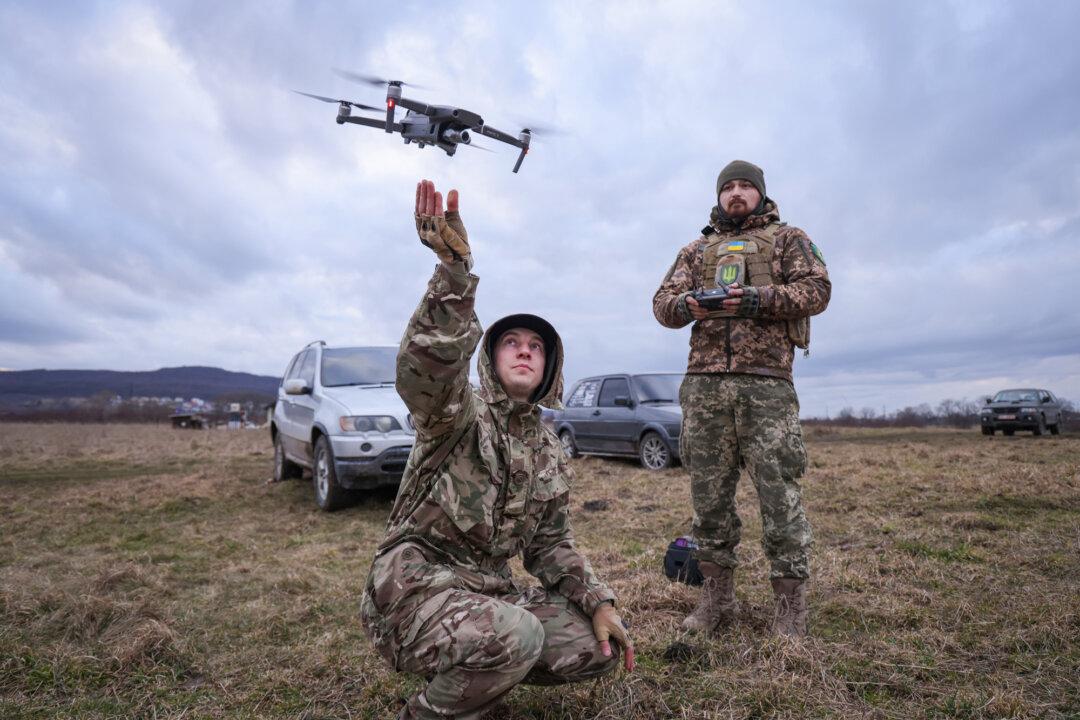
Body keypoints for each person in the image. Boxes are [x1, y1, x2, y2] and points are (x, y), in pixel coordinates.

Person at [362, 180, 634, 719]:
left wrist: (598, 601)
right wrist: (454, 274)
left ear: (550, 367)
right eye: (513, 342)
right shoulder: (455, 414)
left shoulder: (549, 449)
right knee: (519, 633)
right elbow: (426, 368)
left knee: (594, 645)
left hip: (488, 594)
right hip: (412, 592)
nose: (526, 352)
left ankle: (481, 681)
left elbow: (552, 545)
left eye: (537, 347)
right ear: (491, 357)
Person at [652, 160, 831, 637]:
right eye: (728, 186)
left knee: (780, 495)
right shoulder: (696, 250)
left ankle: (790, 608)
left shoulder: (789, 239)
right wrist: (688, 305)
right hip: (705, 386)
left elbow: (817, 289)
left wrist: (758, 300)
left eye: (744, 186)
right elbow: (661, 305)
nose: (736, 193)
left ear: (760, 193)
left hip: (766, 384)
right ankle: (716, 600)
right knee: (708, 498)